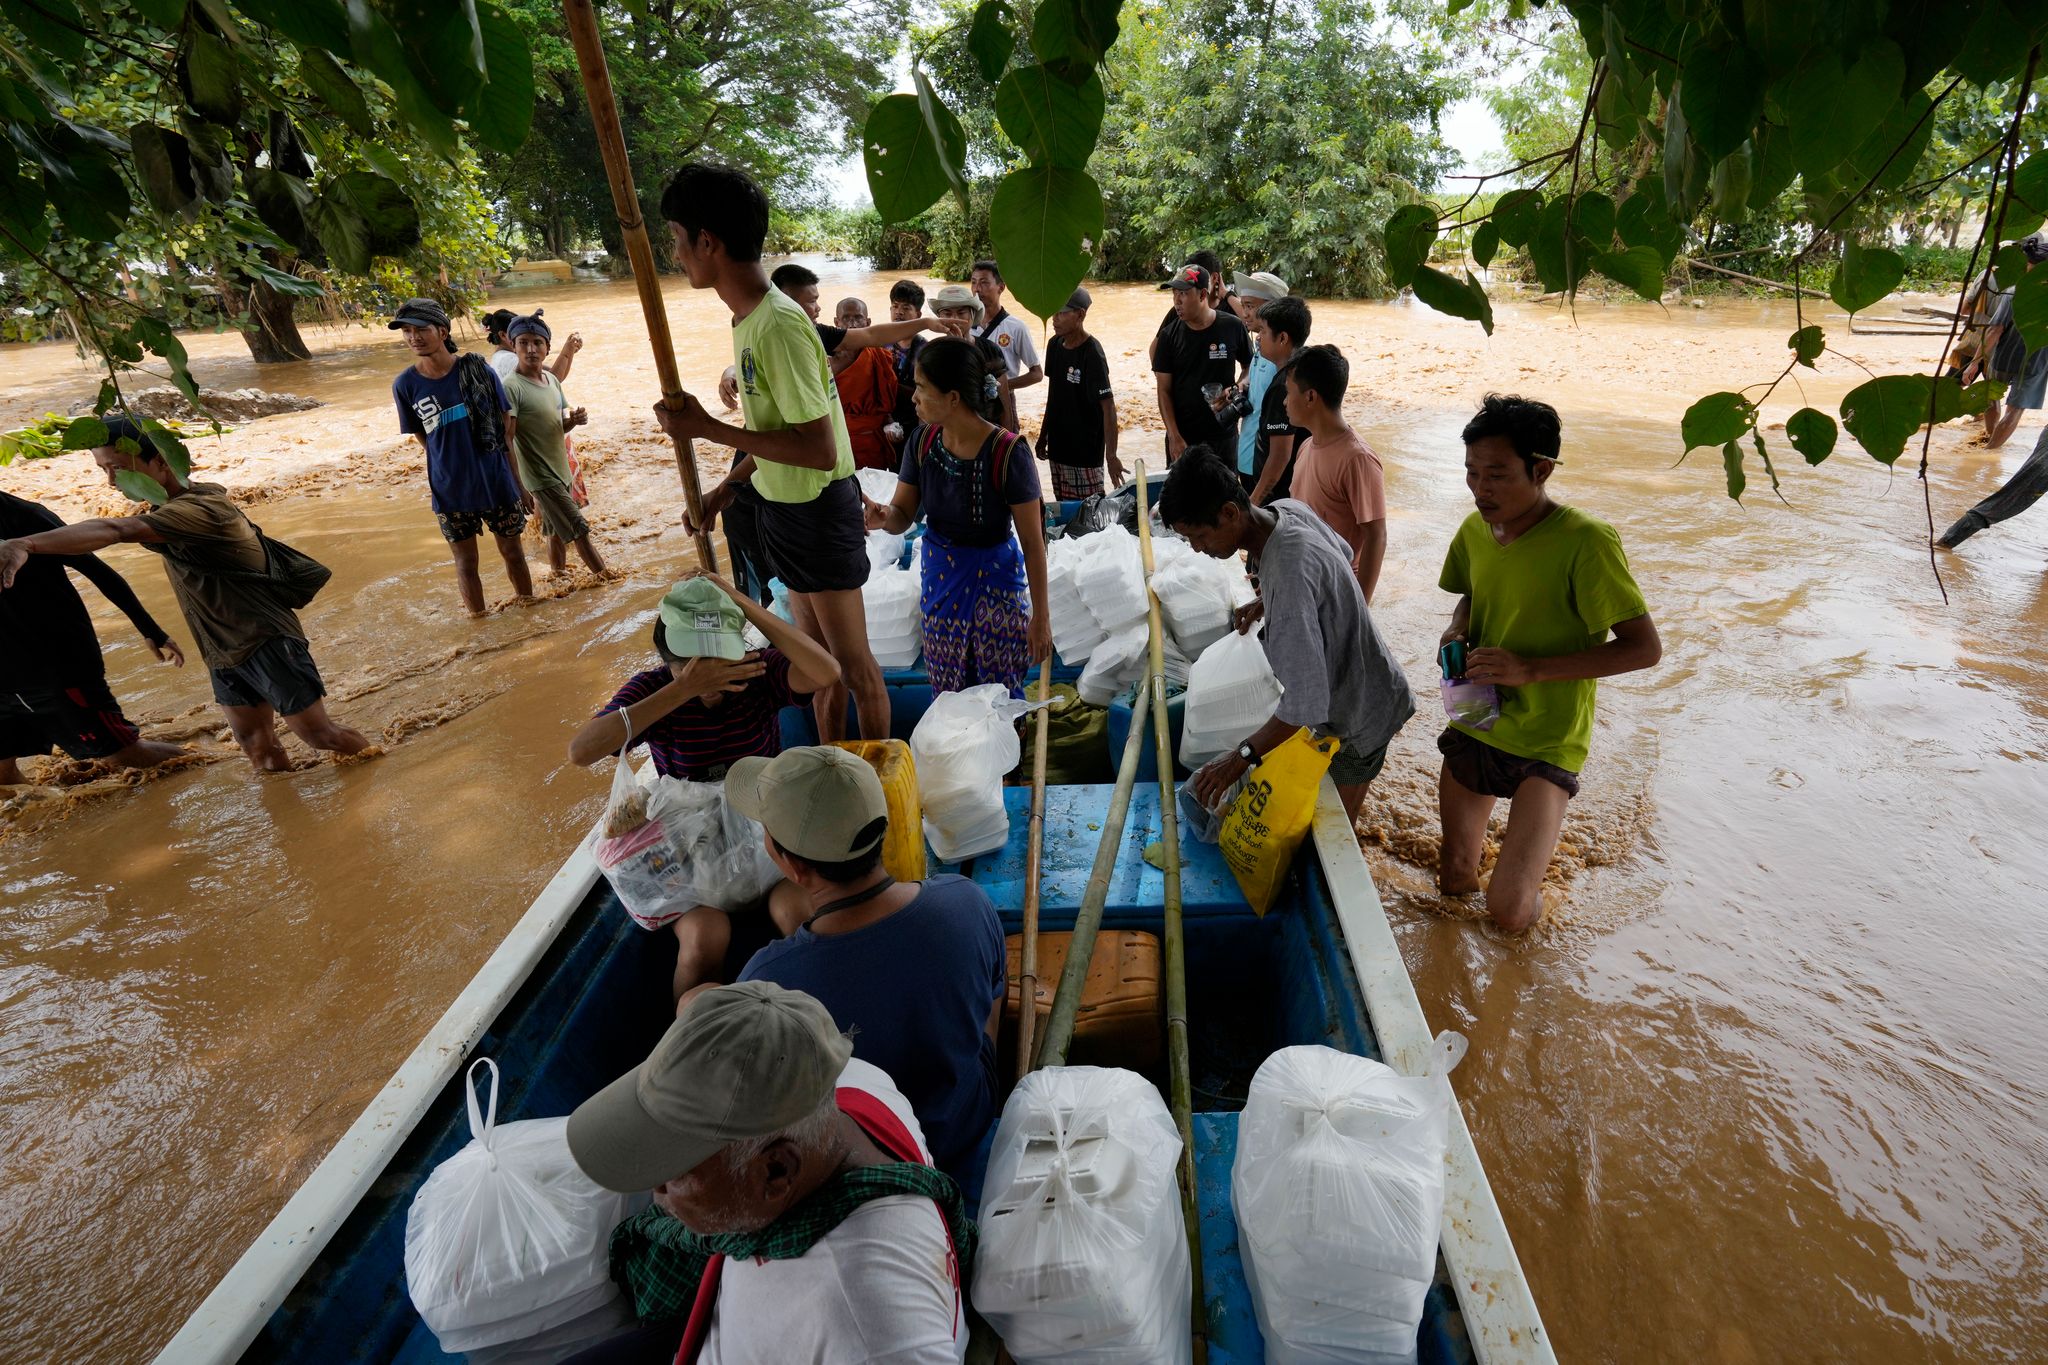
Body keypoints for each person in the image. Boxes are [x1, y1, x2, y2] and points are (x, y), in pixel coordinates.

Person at [566, 981, 973, 1365]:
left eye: (676, 1168)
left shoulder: (859, 1325)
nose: (656, 1188)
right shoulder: (851, 1082)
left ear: (777, 1171)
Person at [653, 164, 886, 743]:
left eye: (679, 240)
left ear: (708, 241)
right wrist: (726, 487)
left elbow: (816, 447)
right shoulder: (748, 318)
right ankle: (834, 765)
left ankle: (882, 781)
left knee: (853, 668)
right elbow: (776, 430)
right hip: (784, 508)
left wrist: (708, 428)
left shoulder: (778, 324)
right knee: (815, 667)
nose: (677, 255)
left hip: (817, 510)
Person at [0, 416, 370, 772]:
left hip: (266, 641)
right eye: (103, 471)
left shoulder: (203, 509)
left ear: (161, 461)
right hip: (222, 650)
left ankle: (377, 770)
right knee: (258, 747)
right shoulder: (167, 507)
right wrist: (152, 630)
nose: (112, 482)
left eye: (118, 468)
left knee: (322, 736)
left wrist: (26, 544)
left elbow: (115, 529)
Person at [726, 746, 1006, 1186]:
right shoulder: (965, 900)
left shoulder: (768, 983)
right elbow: (991, 1000)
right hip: (967, 1117)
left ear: (793, 865)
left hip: (875, 1165)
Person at [1434, 395, 1661, 932]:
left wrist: (1530, 670)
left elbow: (1644, 648)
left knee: (1509, 912)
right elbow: (1470, 593)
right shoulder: (1473, 531)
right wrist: (1457, 628)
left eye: (1496, 474)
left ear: (1541, 470)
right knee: (1453, 877)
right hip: (1478, 713)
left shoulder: (1587, 541)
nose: (1480, 489)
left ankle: (1544, 915)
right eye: (1471, 473)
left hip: (1547, 735)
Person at [569, 573, 841, 1001]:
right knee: (704, 937)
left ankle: (826, 1011)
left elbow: (826, 671)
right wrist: (683, 691)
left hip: (765, 835)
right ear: (668, 663)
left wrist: (739, 601)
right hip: (694, 853)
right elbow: (581, 751)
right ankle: (695, 1036)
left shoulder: (756, 672)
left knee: (797, 911)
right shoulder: (654, 689)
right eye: (695, 669)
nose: (713, 682)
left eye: (720, 663)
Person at [1165, 447, 1414, 828]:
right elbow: (1342, 552)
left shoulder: (1289, 574)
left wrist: (1240, 757)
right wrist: (1268, 600)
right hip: (1373, 678)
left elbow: (1305, 708)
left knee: (1334, 828)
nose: (1198, 548)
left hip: (1359, 718)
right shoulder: (1286, 509)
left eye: (1199, 536)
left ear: (1229, 513)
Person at [870, 336, 1051, 692]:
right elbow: (903, 513)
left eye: (921, 387)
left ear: (953, 398)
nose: (913, 397)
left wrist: (1041, 619)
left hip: (996, 589)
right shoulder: (921, 442)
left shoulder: (1008, 453)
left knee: (1000, 696)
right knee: (948, 693)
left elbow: (1033, 543)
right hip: (941, 585)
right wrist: (883, 517)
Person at [0, 490, 189, 784]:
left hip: (57, 662)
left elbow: (97, 571)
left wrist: (149, 628)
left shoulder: (22, 516)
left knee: (123, 754)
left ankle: (217, 765)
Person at [389, 297, 535, 615]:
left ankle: (531, 613)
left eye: (421, 329)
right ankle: (478, 623)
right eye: (407, 332)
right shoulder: (405, 385)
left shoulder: (479, 370)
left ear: (442, 331)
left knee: (513, 553)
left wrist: (519, 484)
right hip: (450, 490)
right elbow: (424, 438)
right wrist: (449, 465)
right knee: (465, 562)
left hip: (495, 481)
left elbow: (505, 432)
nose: (413, 337)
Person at [501, 312, 607, 577]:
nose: (531, 349)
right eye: (523, 342)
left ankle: (558, 579)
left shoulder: (552, 382)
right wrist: (518, 486)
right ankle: (607, 579)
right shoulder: (511, 387)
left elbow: (557, 428)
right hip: (540, 477)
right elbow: (507, 439)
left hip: (560, 470)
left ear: (548, 348)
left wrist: (575, 421)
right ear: (513, 346)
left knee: (555, 533)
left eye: (537, 342)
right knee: (579, 530)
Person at [1284, 344, 1387, 603]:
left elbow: (1376, 536)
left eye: (1288, 392)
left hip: (1337, 590)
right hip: (1305, 580)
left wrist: (1359, 606)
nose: (1284, 401)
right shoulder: (1306, 446)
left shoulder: (1357, 459)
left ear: (1310, 397)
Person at [1153, 264, 1251, 460]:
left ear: (1202, 295)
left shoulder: (1232, 326)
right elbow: (1163, 389)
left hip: (1224, 433)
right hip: (1183, 437)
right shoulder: (1168, 336)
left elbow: (1249, 366)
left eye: (1183, 293)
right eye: (1174, 294)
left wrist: (1238, 386)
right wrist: (1173, 436)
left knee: (1225, 489)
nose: (1177, 301)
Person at [1035, 287, 1123, 501]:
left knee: (1090, 512)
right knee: (1065, 509)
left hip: (1085, 453)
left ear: (1080, 315)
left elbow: (1108, 407)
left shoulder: (1092, 352)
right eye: (1053, 312)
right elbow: (1053, 395)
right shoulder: (1054, 345)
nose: (1055, 319)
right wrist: (1043, 435)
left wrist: (1111, 455)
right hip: (1058, 448)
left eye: (1062, 313)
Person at [1970, 235, 2048, 449]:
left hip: (2003, 357)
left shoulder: (2013, 292)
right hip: (2035, 364)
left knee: (1992, 399)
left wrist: (1975, 361)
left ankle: (1987, 443)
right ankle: (1990, 453)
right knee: (2015, 410)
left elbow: (1995, 330)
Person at [1246, 295, 1311, 505]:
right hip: (1301, 490)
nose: (1258, 338)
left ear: (1282, 338)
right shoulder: (1305, 368)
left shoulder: (1283, 387)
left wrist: (1254, 502)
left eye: (1263, 331)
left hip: (1281, 499)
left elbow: (1279, 456)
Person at [928, 283, 1018, 434]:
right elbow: (926, 401)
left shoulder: (991, 350)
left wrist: (1006, 440)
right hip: (948, 435)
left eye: (961, 313)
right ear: (939, 318)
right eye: (947, 314)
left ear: (972, 315)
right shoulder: (931, 354)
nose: (954, 319)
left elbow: (1003, 400)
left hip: (988, 431)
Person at [829, 297, 901, 471]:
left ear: (868, 322)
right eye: (846, 318)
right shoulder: (824, 358)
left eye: (858, 318)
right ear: (836, 322)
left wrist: (891, 424)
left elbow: (884, 404)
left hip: (873, 444)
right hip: (837, 443)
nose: (852, 324)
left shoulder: (880, 356)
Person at [967, 258, 1043, 415]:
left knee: (1006, 439)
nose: (977, 289)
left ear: (1001, 287)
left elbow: (1036, 374)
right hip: (971, 401)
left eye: (984, 283)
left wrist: (1001, 385)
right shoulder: (964, 325)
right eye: (973, 283)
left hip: (1003, 401)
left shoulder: (1016, 327)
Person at [885, 279, 930, 458]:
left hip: (914, 422)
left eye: (906, 308)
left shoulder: (925, 350)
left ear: (918, 314)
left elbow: (927, 395)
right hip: (885, 421)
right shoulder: (881, 344)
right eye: (895, 306)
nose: (899, 312)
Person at [483, 306, 582, 381]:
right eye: (522, 339)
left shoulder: (504, 356)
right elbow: (554, 379)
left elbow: (556, 376)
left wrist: (570, 351)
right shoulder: (508, 360)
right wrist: (567, 351)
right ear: (503, 335)